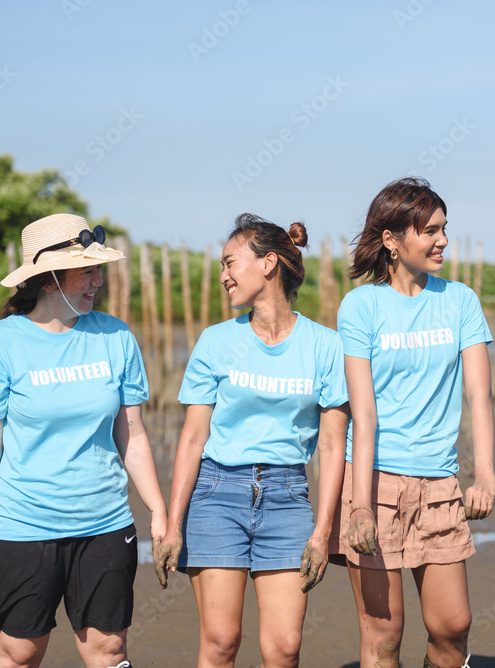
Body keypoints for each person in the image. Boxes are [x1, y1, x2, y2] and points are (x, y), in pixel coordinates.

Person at [0, 213, 167, 668]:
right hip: (21, 527)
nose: (98, 281)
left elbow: (130, 432)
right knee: (20, 651)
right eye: (86, 270)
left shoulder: (115, 335)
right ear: (49, 279)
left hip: (106, 524)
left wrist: (159, 509)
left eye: (99, 268)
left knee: (109, 650)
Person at [154, 214, 348, 668]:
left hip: (288, 497)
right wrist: (173, 524)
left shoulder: (325, 346)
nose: (223, 276)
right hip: (217, 495)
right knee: (221, 642)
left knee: (283, 649)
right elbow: (192, 438)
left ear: (269, 264)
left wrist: (323, 532)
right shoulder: (215, 341)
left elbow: (333, 446)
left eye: (230, 263)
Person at [330, 177, 495, 668]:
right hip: (374, 483)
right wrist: (359, 505)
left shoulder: (460, 300)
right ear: (392, 241)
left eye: (444, 229)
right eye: (429, 230)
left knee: (452, 627)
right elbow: (363, 413)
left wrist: (483, 474)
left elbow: (479, 395)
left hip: (439, 482)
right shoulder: (360, 306)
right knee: (384, 634)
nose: (442, 240)